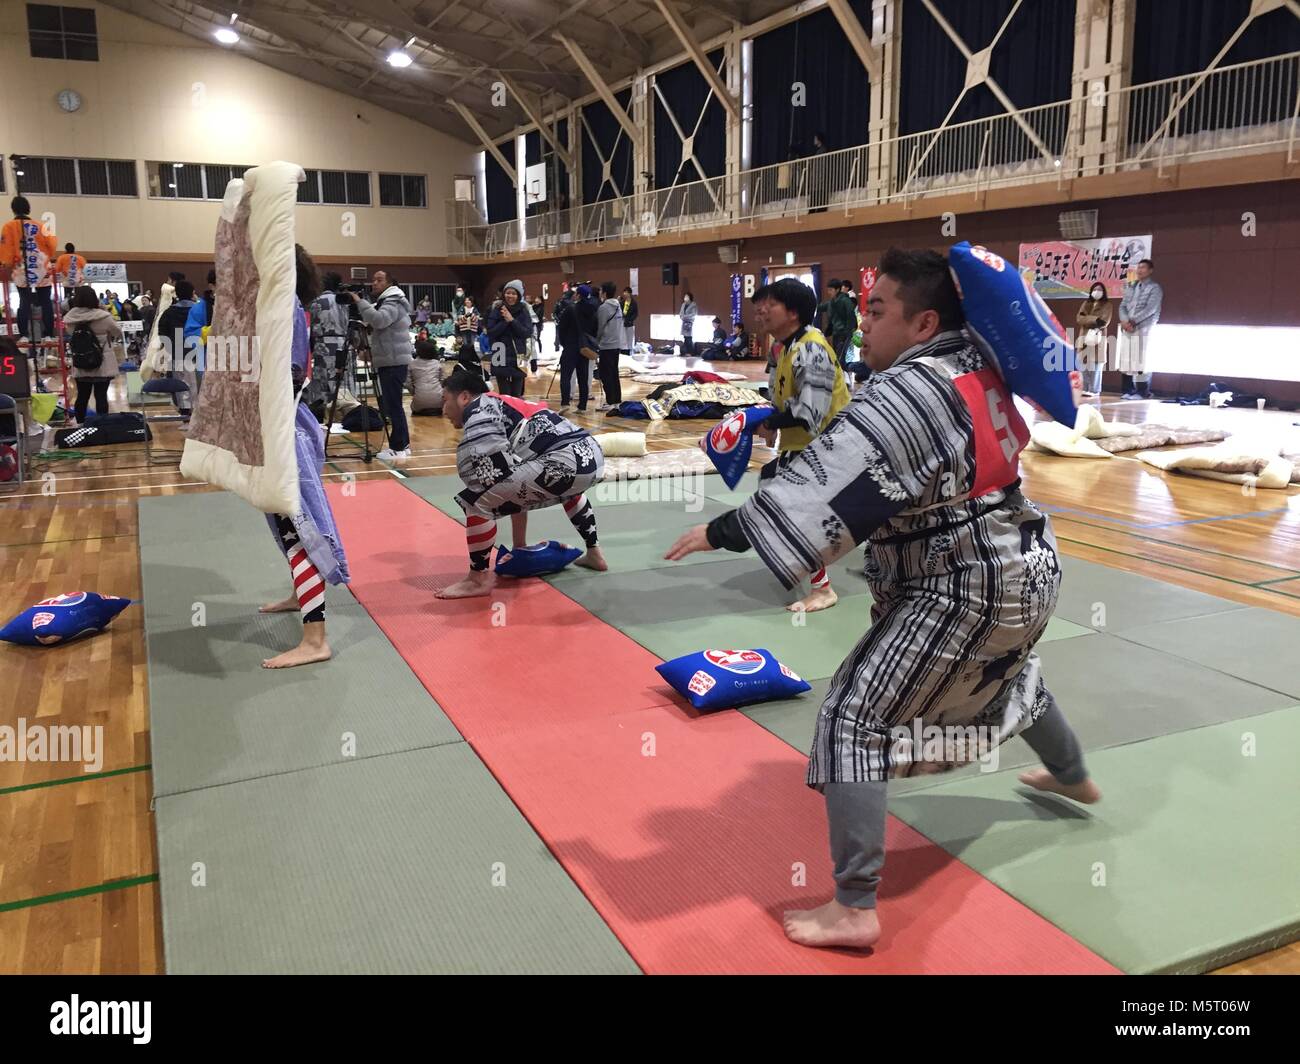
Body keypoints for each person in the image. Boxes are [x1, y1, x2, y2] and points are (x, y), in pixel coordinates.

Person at [665, 247, 1098, 951]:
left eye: (876, 310)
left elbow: (825, 497)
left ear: (923, 321)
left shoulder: (910, 390)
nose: (862, 323)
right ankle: (1073, 775)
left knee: (853, 718)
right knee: (1008, 676)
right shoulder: (971, 366)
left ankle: (856, 905)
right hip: (1025, 565)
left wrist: (723, 528)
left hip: (966, 583)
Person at [436, 366, 607, 599]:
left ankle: (478, 580)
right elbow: (514, 482)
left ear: (464, 397)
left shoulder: (479, 409)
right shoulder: (503, 402)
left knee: (477, 501)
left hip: (564, 461)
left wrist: (482, 491)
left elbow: (488, 478)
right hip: (590, 456)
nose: (443, 410)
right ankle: (594, 553)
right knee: (538, 484)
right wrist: (518, 547)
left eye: (445, 401)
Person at [257, 244, 350, 669]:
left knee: (298, 527)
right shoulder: (279, 304)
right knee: (284, 523)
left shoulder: (285, 305)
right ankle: (302, 595)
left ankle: (316, 639)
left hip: (286, 429)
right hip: (280, 424)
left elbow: (287, 369)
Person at [745, 277, 851, 613]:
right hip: (807, 447)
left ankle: (822, 590)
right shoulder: (789, 346)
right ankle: (809, 569)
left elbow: (809, 412)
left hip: (828, 450)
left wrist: (765, 423)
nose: (762, 313)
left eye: (770, 306)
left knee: (796, 512)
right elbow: (785, 399)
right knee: (774, 496)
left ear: (792, 313)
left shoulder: (811, 348)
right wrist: (768, 424)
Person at [341, 269, 413, 462]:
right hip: (390, 358)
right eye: (374, 280)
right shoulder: (385, 301)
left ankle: (398, 447)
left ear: (389, 283)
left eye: (379, 280)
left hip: (394, 361)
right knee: (393, 405)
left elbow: (379, 320)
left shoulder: (393, 300)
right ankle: (403, 445)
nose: (374, 283)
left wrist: (359, 301)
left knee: (393, 406)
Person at [0, 196, 57, 343]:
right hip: (42, 267)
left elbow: (6, 250)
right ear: (28, 209)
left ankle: (24, 335)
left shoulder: (9, 227)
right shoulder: (41, 226)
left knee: (24, 301)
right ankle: (49, 334)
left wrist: (7, 264)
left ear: (13, 209)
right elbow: (51, 247)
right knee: (45, 302)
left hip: (21, 267)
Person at [63, 284, 121, 424]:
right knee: (101, 396)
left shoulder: (70, 319)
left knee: (82, 396)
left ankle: (81, 424)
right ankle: (101, 425)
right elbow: (117, 332)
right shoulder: (103, 316)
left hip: (81, 361)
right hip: (102, 362)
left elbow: (70, 334)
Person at [1118, 258, 1162, 399]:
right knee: (1126, 357)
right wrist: (1124, 321)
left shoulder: (1155, 288)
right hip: (1128, 327)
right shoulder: (1131, 286)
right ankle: (1128, 389)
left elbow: (1151, 308)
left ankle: (1142, 391)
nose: (1140, 270)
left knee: (1142, 359)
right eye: (1139, 267)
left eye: (1143, 267)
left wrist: (1133, 321)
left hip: (1144, 327)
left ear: (1150, 270)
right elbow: (1122, 306)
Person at [156, 279, 201, 416]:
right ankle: (197, 414)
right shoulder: (199, 310)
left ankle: (185, 413)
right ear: (192, 292)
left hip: (177, 353)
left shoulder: (169, 312)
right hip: (198, 352)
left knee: (180, 384)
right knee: (197, 384)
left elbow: (162, 333)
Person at [483, 279, 531, 397]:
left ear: (519, 295)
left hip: (519, 353)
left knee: (517, 394)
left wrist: (512, 320)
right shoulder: (496, 309)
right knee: (504, 394)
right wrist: (505, 322)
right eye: (508, 292)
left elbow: (526, 333)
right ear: (503, 294)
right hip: (499, 351)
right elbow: (491, 332)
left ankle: (517, 415)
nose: (510, 296)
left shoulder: (524, 310)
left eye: (514, 293)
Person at [1075, 282, 1113, 397]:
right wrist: (1095, 320)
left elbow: (1104, 322)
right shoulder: (1086, 303)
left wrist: (1089, 319)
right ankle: (1084, 388)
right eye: (1095, 289)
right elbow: (1079, 318)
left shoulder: (1107, 305)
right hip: (1084, 336)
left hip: (1098, 337)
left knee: (1096, 365)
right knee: (1083, 364)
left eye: (1100, 289)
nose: (1097, 291)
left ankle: (1094, 390)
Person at [556, 288, 590, 413]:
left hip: (571, 345)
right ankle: (583, 405)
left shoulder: (571, 308)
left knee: (565, 376)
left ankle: (565, 403)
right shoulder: (591, 309)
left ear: (578, 295)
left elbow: (562, 328)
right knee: (583, 377)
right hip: (584, 347)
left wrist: (564, 343)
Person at [595, 281, 624, 413]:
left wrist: (596, 342)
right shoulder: (618, 305)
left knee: (606, 374)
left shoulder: (604, 308)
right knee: (614, 373)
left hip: (606, 345)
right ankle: (616, 400)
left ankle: (611, 401)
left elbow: (600, 328)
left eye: (601, 291)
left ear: (605, 293)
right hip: (616, 344)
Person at [410, 339, 444, 415]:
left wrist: (414, 392)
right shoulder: (437, 363)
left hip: (419, 402)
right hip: (439, 402)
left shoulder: (412, 364)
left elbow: (407, 383)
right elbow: (441, 381)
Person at [619, 286, 638, 359]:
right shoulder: (622, 302)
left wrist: (630, 320)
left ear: (630, 293)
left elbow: (635, 314)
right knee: (622, 339)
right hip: (622, 323)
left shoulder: (633, 303)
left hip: (629, 323)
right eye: (624, 292)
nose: (624, 293)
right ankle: (623, 351)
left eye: (626, 292)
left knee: (629, 339)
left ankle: (629, 352)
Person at [680, 291, 698, 355]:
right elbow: (681, 314)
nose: (685, 298)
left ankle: (691, 352)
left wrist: (685, 317)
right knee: (685, 337)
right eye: (685, 296)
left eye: (687, 296)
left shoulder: (693, 305)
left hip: (690, 323)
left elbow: (693, 314)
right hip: (684, 323)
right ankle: (685, 352)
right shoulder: (683, 304)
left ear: (690, 297)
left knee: (689, 338)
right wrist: (682, 317)